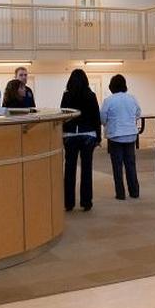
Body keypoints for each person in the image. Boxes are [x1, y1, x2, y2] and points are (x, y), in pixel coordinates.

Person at [60, 69, 101, 212]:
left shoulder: (67, 95)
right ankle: (86, 202)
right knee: (87, 168)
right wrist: (98, 137)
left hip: (70, 135)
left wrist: (62, 134)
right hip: (88, 134)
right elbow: (96, 117)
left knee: (69, 169)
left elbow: (63, 116)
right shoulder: (91, 95)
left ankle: (68, 203)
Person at [100, 75, 141, 200]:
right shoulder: (132, 98)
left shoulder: (108, 100)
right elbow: (138, 113)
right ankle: (134, 191)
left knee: (117, 166)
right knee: (130, 164)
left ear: (111, 86)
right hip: (130, 135)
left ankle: (120, 193)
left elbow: (102, 118)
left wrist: (107, 124)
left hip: (115, 136)